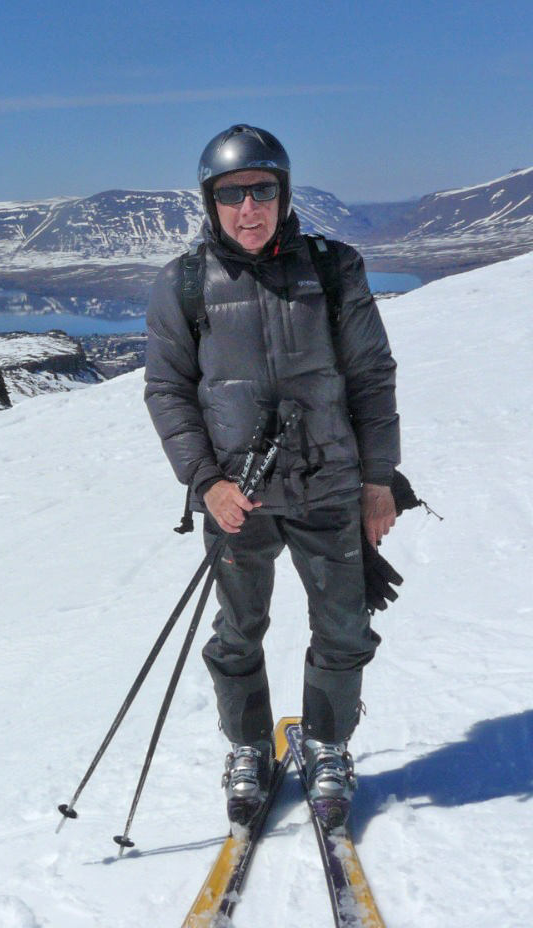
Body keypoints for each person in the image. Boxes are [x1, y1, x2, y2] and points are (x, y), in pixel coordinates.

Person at [143, 124, 399, 828]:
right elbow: (167, 391)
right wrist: (207, 483)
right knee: (238, 631)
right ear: (210, 202)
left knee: (344, 629)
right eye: (232, 195)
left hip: (329, 485)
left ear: (284, 195)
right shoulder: (186, 283)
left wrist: (379, 481)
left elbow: (372, 377)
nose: (248, 208)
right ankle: (250, 745)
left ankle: (326, 744)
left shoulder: (335, 268)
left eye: (262, 191)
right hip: (237, 498)